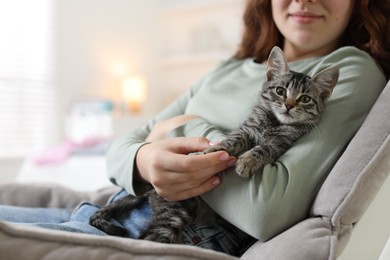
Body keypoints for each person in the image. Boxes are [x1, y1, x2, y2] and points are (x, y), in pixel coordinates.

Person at [1, 0, 390, 257]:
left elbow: (266, 211)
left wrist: (181, 128)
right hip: (110, 208)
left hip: (163, 231)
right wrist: (144, 157)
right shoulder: (230, 68)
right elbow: (120, 148)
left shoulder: (349, 67)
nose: (305, 0)